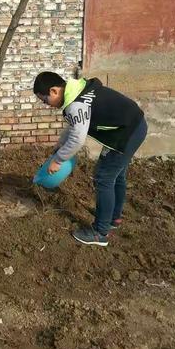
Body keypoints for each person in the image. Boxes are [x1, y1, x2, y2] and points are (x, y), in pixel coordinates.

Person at [33, 72, 147, 246]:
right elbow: (74, 127)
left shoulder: (75, 105)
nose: (46, 104)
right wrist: (59, 146)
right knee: (117, 176)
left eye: (45, 100)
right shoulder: (79, 90)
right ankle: (113, 218)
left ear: (54, 91)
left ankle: (100, 233)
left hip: (126, 133)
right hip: (133, 125)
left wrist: (58, 160)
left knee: (104, 177)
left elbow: (77, 139)